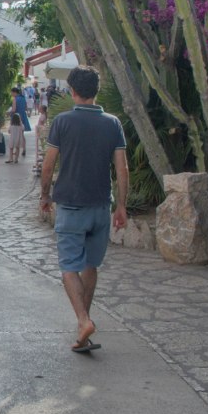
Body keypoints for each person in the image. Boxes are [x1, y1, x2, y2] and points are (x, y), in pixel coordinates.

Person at [38, 65, 129, 355]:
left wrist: (44, 195)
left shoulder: (62, 122)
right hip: (101, 205)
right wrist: (122, 206)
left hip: (70, 206)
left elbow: (49, 164)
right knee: (91, 265)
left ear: (72, 91)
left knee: (68, 266)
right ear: (96, 91)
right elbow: (122, 168)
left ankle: (82, 320)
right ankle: (83, 328)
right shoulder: (112, 123)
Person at [6, 86, 30, 163]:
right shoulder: (23, 98)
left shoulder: (15, 99)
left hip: (16, 118)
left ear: (14, 92)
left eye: (12, 92)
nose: (11, 94)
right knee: (21, 134)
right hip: (22, 117)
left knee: (15, 134)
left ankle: (14, 152)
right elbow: (26, 107)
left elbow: (13, 109)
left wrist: (8, 113)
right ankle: (24, 149)